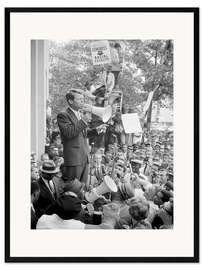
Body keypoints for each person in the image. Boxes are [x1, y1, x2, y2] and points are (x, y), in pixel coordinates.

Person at [57, 89, 90, 185]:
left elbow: (80, 133)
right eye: (80, 99)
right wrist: (83, 121)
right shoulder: (63, 115)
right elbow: (69, 133)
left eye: (83, 99)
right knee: (73, 188)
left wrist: (97, 131)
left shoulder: (80, 114)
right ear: (70, 101)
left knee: (82, 188)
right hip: (74, 159)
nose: (83, 102)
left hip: (84, 157)